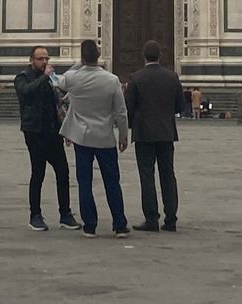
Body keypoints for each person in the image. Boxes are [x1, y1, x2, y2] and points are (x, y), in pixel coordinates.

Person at [55, 39, 129, 238]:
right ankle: (120, 225)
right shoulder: (112, 80)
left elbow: (59, 79)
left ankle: (90, 226)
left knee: (84, 182)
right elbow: (121, 112)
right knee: (112, 182)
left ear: (82, 57)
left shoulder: (72, 79)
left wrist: (80, 63)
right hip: (105, 138)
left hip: (82, 138)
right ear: (98, 56)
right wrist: (123, 135)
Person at [14, 45, 80, 233]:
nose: (44, 62)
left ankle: (65, 214)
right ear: (31, 60)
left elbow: (56, 105)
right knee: (38, 173)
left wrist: (65, 130)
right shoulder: (22, 78)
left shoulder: (50, 80)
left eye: (46, 59)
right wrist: (44, 77)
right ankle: (35, 215)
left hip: (52, 132)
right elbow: (26, 93)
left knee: (63, 172)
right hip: (34, 133)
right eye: (40, 59)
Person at [125, 40, 183, 233]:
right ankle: (171, 219)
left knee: (146, 175)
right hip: (166, 132)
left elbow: (129, 108)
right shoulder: (172, 77)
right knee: (168, 175)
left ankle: (151, 219)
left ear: (144, 56)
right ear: (160, 55)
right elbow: (180, 107)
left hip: (144, 134)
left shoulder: (136, 78)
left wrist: (133, 125)